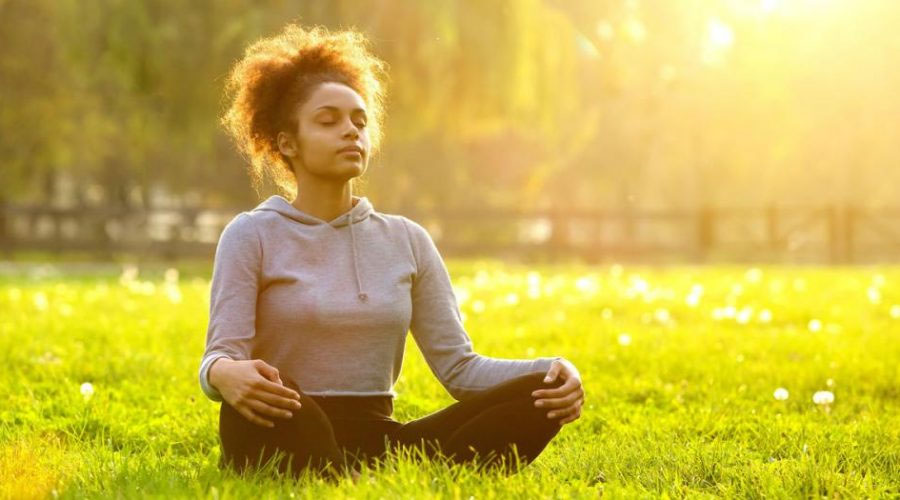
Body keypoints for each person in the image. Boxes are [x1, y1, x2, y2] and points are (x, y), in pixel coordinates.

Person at [199, 23, 585, 482]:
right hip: (285, 419)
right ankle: (335, 470)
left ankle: (345, 473)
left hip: (381, 439)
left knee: (538, 397)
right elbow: (220, 355)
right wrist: (224, 375)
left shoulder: (407, 239)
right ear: (287, 142)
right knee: (272, 410)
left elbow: (460, 369)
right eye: (329, 121)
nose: (351, 132)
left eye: (359, 122)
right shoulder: (251, 234)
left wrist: (554, 371)